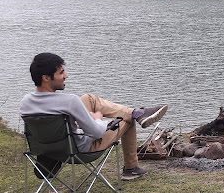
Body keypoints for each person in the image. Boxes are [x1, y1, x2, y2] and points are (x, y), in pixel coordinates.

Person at [19, 52, 169, 180]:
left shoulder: (25, 103)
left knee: (89, 98)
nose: (66, 76)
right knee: (127, 119)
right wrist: (97, 119)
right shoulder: (69, 101)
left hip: (49, 149)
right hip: (80, 150)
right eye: (61, 73)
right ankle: (131, 167)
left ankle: (138, 113)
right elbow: (96, 133)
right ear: (46, 78)